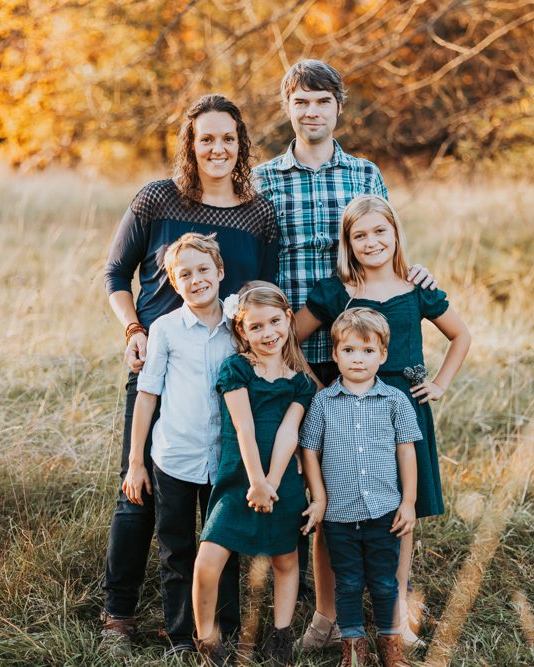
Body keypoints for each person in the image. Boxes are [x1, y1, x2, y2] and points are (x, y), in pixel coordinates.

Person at [253, 59, 435, 644]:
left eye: (321, 102)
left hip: (365, 349)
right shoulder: (265, 179)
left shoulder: (364, 172)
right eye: (300, 102)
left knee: (382, 482)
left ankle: (396, 610)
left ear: (338, 106)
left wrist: (416, 274)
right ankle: (328, 616)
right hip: (305, 350)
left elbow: (386, 238)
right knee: (326, 487)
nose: (311, 112)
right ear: (288, 107)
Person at [101, 94, 278, 651]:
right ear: (191, 144)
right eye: (206, 138)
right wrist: (134, 330)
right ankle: (119, 617)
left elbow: (264, 296)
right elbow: (114, 274)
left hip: (230, 376)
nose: (217, 148)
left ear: (241, 144)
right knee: (143, 492)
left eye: (228, 138)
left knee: (221, 498)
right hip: (161, 361)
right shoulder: (158, 199)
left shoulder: (258, 213)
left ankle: (210, 626)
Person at [295, 195, 472, 650]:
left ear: (395, 234)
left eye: (380, 231)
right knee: (333, 509)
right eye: (360, 235)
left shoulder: (416, 288)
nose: (371, 242)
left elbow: (461, 334)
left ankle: (394, 619)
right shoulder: (337, 290)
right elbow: (291, 340)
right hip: (344, 414)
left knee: (400, 512)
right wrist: (318, 388)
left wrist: (439, 384)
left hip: (402, 411)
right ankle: (326, 619)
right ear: (347, 244)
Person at [119, 232, 240, 653]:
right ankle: (179, 636)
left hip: (225, 459)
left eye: (204, 270)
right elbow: (148, 393)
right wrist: (136, 463)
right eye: (184, 274)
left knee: (222, 547)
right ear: (173, 282)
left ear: (220, 272)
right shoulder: (166, 329)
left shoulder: (239, 326)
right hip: (174, 457)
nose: (196, 280)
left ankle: (222, 631)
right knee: (176, 549)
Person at [191, 281, 320, 667]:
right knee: (208, 560)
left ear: (288, 319)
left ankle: (279, 637)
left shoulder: (299, 381)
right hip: (238, 481)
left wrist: (273, 484)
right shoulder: (237, 369)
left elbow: (288, 432)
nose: (268, 334)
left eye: (275, 322)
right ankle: (207, 642)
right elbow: (244, 427)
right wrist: (256, 482)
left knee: (285, 561)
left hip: (282, 486)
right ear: (241, 332)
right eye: (256, 327)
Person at [300, 308, 423, 667]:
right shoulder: (322, 403)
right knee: (349, 584)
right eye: (349, 350)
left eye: (368, 351)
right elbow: (309, 450)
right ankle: (352, 650)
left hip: (385, 511)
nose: (358, 359)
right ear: (335, 354)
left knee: (386, 583)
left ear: (382, 355)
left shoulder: (395, 401)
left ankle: (392, 648)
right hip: (339, 514)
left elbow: (407, 452)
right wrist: (320, 497)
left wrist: (409, 502)